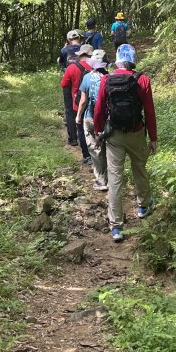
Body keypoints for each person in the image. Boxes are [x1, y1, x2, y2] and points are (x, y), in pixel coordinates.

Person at [93, 43, 157, 243]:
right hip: (136, 133)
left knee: (115, 178)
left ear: (118, 60)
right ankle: (143, 206)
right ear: (133, 60)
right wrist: (153, 138)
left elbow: (100, 109)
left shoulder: (107, 79)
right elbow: (149, 111)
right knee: (140, 169)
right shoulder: (143, 80)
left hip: (114, 136)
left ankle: (116, 227)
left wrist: (97, 130)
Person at [76, 58, 109, 191]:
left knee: (95, 150)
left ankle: (101, 181)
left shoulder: (87, 77)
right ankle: (112, 179)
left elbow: (83, 100)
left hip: (90, 117)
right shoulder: (109, 77)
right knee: (107, 149)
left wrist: (78, 116)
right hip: (107, 120)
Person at [62, 44, 94, 159]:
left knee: (81, 129)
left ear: (81, 55)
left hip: (78, 102)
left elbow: (64, 84)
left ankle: (87, 156)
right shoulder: (96, 67)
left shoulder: (72, 67)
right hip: (95, 104)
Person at [58, 30, 83, 145]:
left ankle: (72, 138)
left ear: (68, 40)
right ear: (80, 38)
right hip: (82, 79)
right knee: (83, 105)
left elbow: (61, 63)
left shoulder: (64, 50)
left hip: (68, 80)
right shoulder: (85, 48)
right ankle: (84, 134)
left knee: (69, 109)